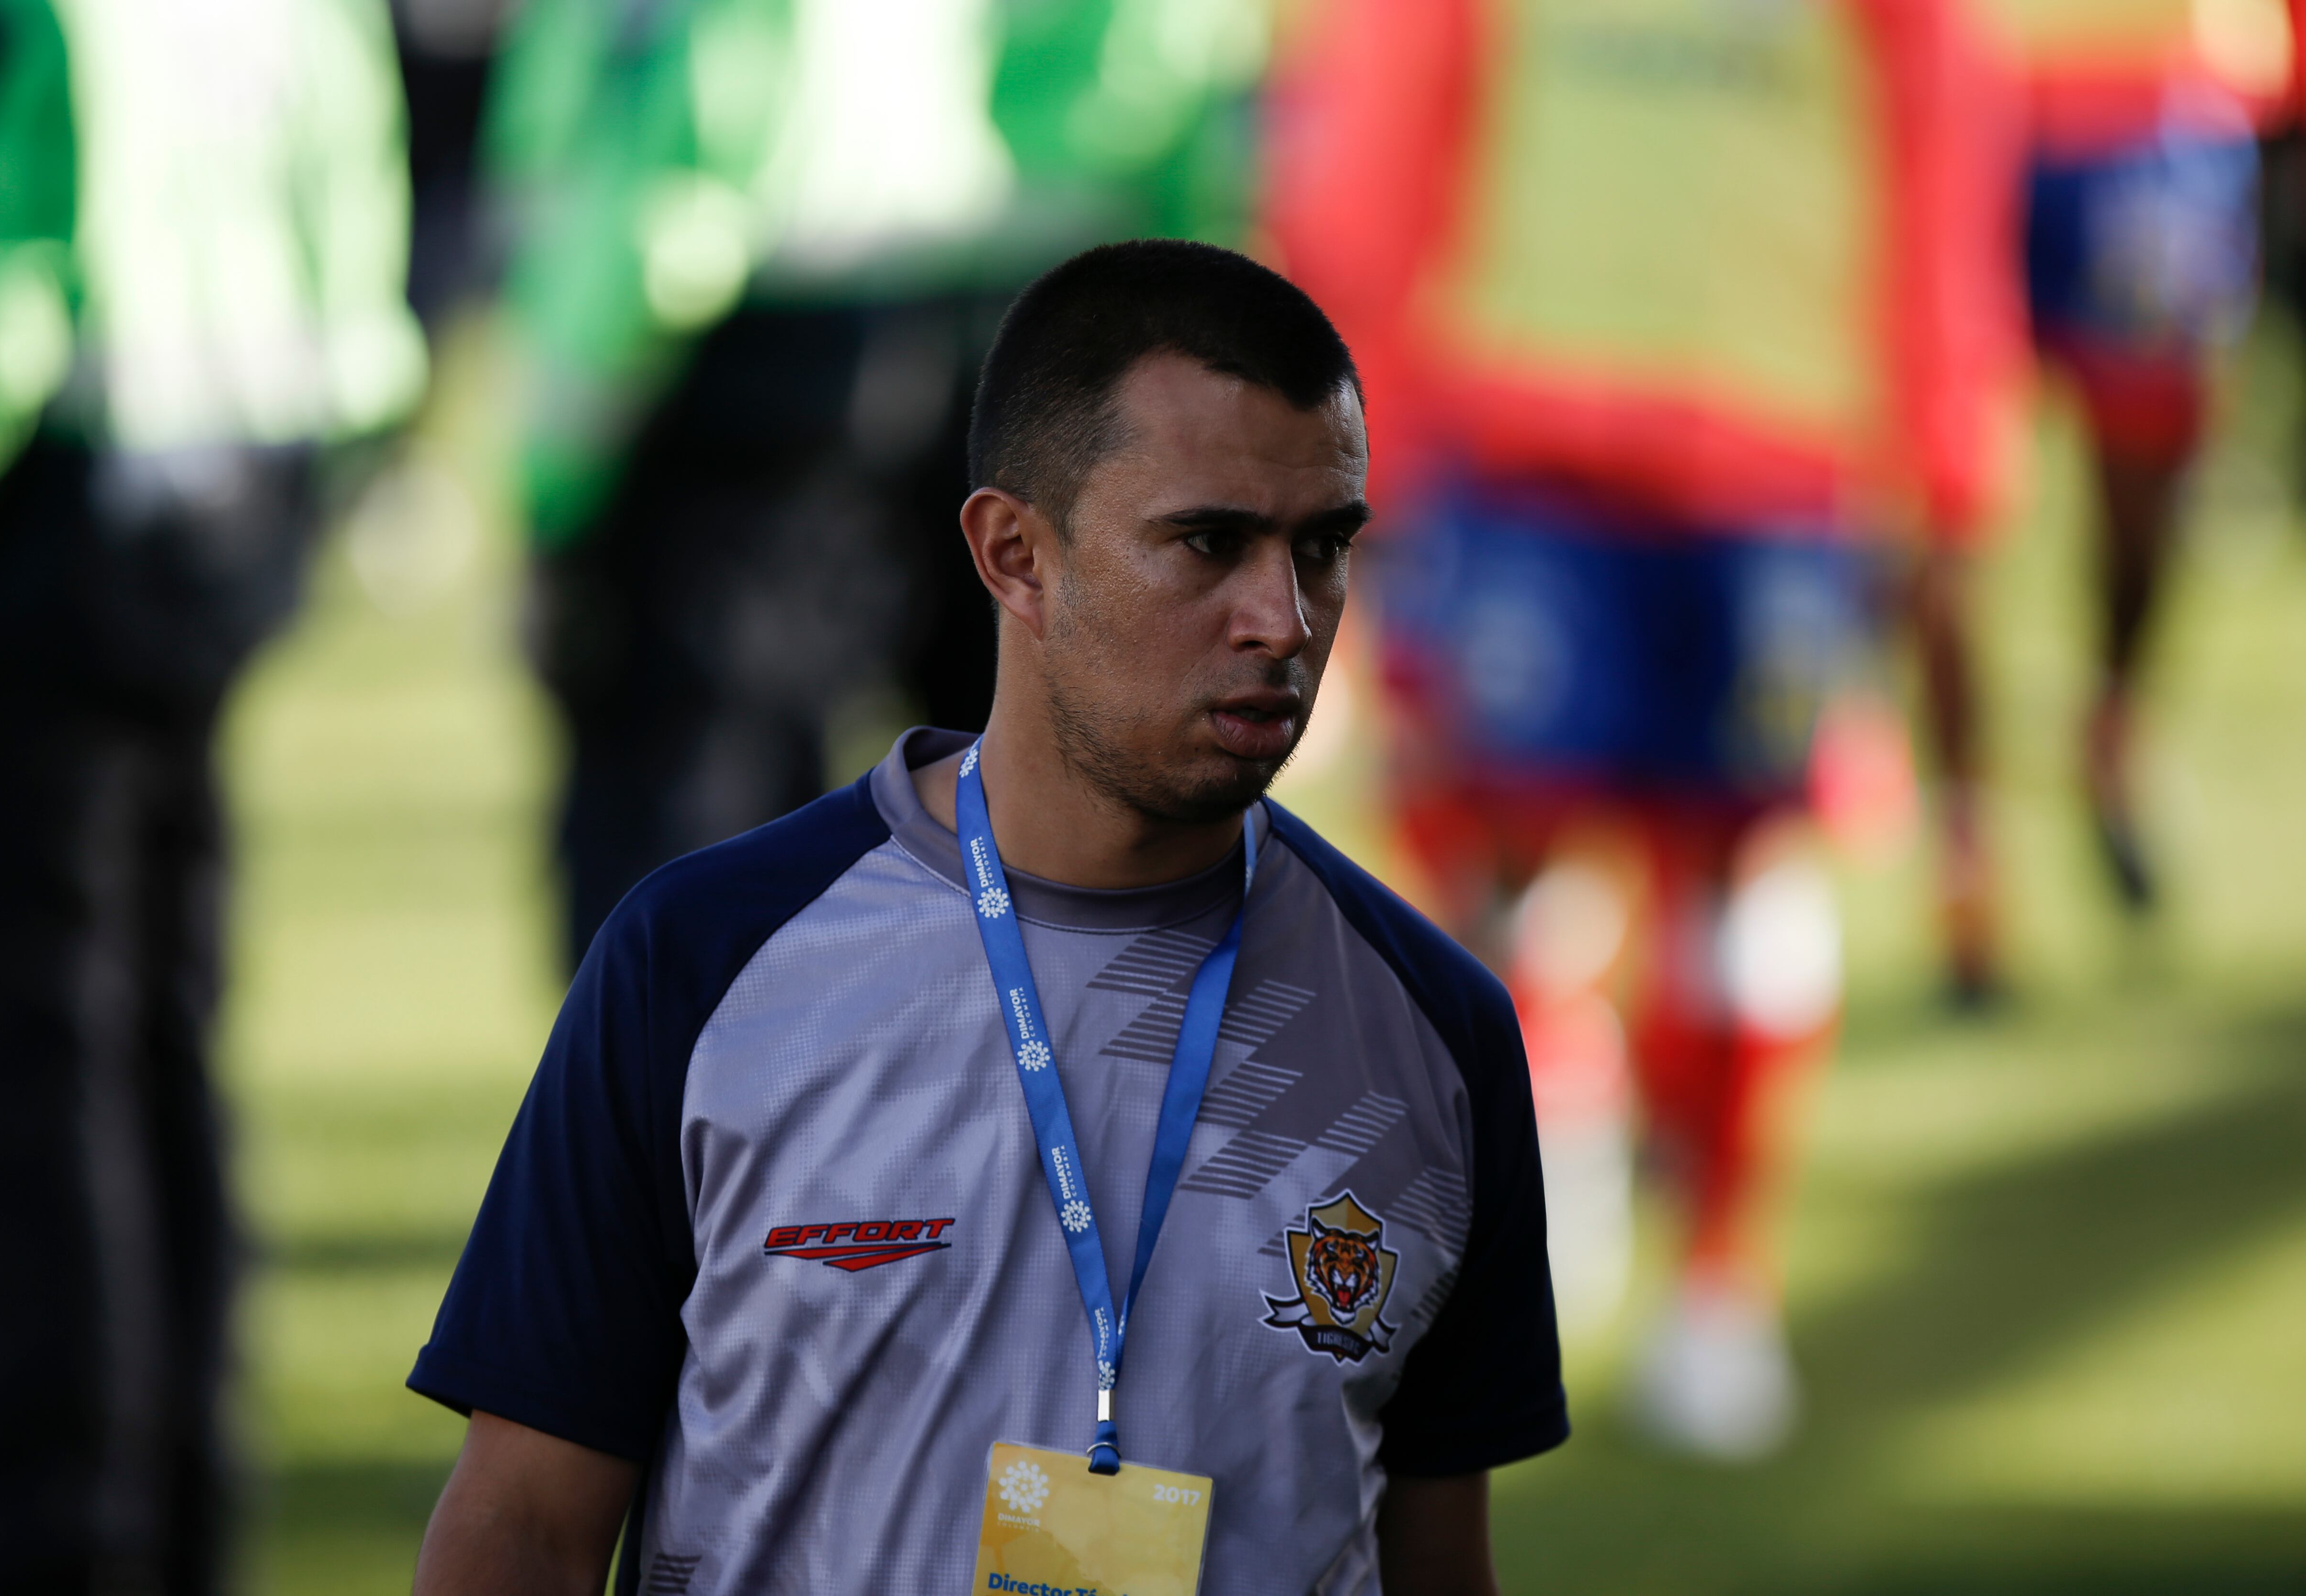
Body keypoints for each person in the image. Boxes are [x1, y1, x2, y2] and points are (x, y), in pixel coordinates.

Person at [408, 241, 1565, 1596]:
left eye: (1324, 547)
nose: (1285, 620)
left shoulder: (1434, 1030)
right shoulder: (704, 964)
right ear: (1015, 553)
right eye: (1208, 542)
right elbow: (523, 1531)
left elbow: (1437, 1563)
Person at [1271, 0, 2022, 1455]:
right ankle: (1555, 1132)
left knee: (1749, 876)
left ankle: (1722, 1287)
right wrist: (1374, 424)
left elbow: (1940, 156)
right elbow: (1388, 129)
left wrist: (1944, 442)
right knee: (1499, 854)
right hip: (1528, 437)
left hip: (1779, 463)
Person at [0, 2, 425, 1590]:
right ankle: (185, 1491)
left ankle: (67, 1528)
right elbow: (360, 220)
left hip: (49, 522)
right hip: (235, 496)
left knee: (36, 1063)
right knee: (160, 1032)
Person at [484, 0, 1268, 964]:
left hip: (753, 322)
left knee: (701, 806)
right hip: (978, 283)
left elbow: (682, 148)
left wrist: (557, 469)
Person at [1922, 0, 2283, 999]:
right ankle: (1965, 858)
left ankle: (2114, 731)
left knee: (2147, 496)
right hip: (1952, 91)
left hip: (2158, 105)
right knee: (1936, 502)